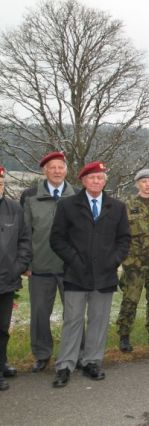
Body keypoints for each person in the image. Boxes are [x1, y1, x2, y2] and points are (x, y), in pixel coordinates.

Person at [50, 161, 130, 388]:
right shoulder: (68, 206)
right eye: (92, 177)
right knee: (72, 321)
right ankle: (65, 365)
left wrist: (113, 261)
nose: (97, 181)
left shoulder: (116, 207)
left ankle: (91, 361)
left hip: (104, 275)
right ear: (83, 180)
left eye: (101, 178)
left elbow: (124, 240)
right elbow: (57, 239)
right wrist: (74, 260)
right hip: (76, 274)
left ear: (105, 182)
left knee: (98, 320)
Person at [20, 152, 75, 373]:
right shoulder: (30, 196)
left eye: (60, 167)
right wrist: (26, 263)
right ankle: (42, 355)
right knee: (40, 315)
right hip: (40, 268)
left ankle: (75, 353)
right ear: (44, 170)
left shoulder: (76, 195)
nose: (56, 171)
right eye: (52, 167)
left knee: (74, 314)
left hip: (70, 268)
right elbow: (24, 233)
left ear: (66, 170)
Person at [116, 169, 149, 353]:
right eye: (144, 181)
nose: (148, 184)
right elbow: (121, 234)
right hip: (134, 264)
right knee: (130, 299)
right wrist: (127, 258)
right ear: (137, 184)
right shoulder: (128, 206)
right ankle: (124, 336)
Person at [0, 165, 32, 391]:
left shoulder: (13, 209)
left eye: (1, 183)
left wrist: (18, 266)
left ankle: (1, 363)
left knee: (2, 327)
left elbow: (24, 240)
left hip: (6, 279)